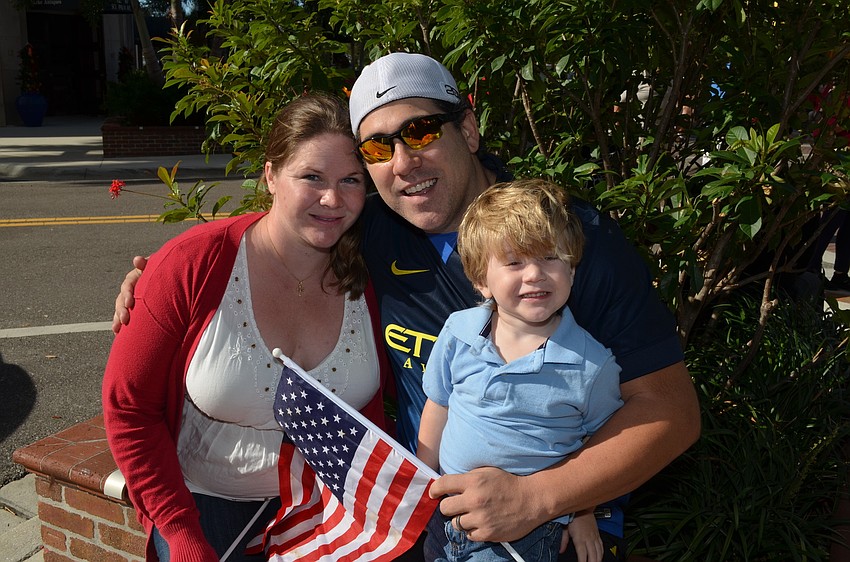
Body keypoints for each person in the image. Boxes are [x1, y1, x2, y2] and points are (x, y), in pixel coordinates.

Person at [113, 52, 701, 560]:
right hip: (424, 524)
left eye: (420, 132)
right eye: (377, 146)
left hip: (561, 528)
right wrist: (164, 272)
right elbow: (286, 228)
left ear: (467, 130)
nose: (402, 162)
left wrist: (541, 497)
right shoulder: (375, 232)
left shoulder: (567, 244)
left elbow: (671, 411)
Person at [102, 93, 393, 562]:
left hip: (333, 512)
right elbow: (128, 407)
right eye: (312, 177)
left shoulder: (376, 268)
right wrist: (179, 532)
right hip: (205, 508)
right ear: (271, 174)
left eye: (351, 180)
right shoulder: (195, 265)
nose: (332, 199)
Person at [417, 179, 623, 562]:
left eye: (550, 258)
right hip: (446, 510)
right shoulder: (459, 331)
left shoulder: (591, 367)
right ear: (481, 280)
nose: (534, 275)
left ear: (573, 270)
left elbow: (602, 447)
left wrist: (582, 510)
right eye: (514, 262)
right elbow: (439, 404)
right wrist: (420, 477)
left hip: (524, 532)